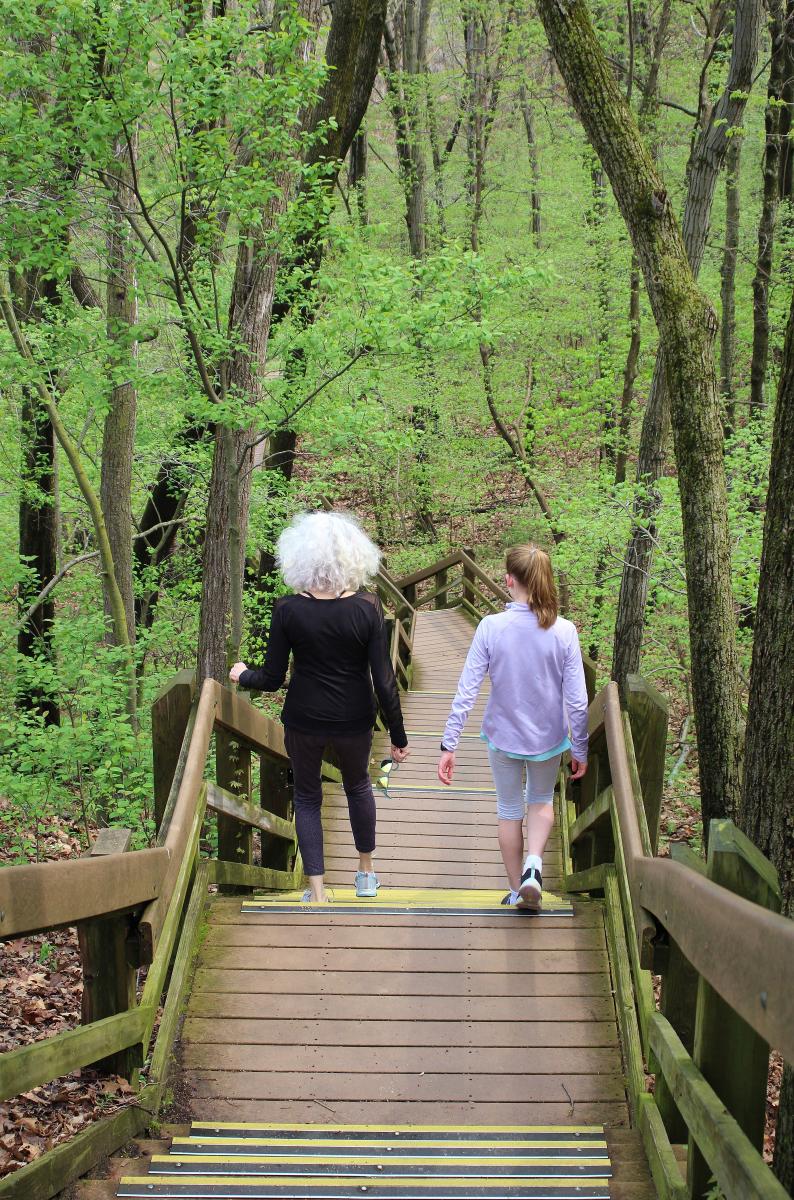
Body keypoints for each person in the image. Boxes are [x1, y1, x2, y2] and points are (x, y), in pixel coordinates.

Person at [230, 511, 409, 903]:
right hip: (354, 718)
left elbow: (273, 677)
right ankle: (365, 876)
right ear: (352, 557)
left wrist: (243, 674)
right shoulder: (367, 608)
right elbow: (383, 681)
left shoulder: (288, 609)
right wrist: (398, 735)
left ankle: (317, 890)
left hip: (304, 718)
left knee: (308, 797)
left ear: (300, 557)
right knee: (359, 785)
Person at [437, 544, 588, 910]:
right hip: (548, 739)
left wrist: (449, 743)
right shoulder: (564, 631)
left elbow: (467, 688)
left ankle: (517, 889)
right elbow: (578, 701)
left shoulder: (492, 627)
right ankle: (534, 865)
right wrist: (579, 748)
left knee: (508, 809)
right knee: (539, 802)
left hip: (503, 737)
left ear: (508, 580)